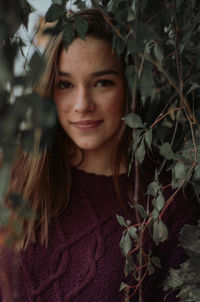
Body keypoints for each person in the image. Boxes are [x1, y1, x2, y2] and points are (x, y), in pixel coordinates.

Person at [0, 8, 198, 302]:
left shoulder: (168, 207)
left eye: (102, 82)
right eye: (65, 84)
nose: (82, 104)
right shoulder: (19, 172)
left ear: (131, 86)